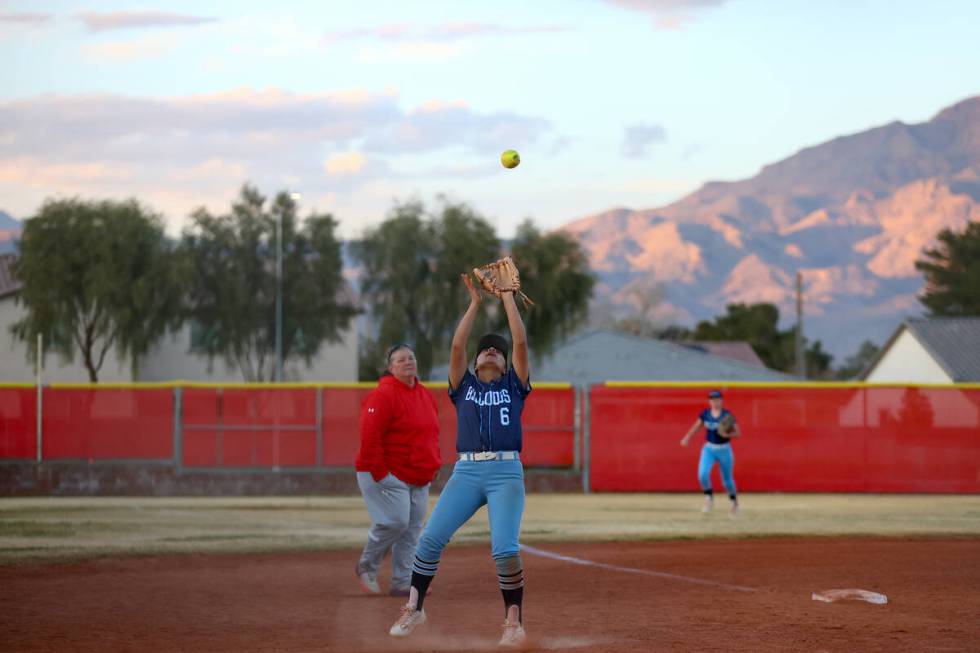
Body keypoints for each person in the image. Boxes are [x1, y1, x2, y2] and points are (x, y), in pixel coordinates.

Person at [388, 274, 531, 648]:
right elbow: (456, 346)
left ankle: (513, 622)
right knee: (430, 539)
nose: (490, 351)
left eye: (496, 351)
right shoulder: (463, 387)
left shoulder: (513, 386)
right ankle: (415, 608)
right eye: (485, 349)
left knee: (505, 549)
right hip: (466, 471)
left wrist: (506, 298)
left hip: (505, 472)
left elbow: (519, 340)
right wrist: (473, 305)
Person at [354, 343, 441, 597]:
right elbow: (369, 436)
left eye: (411, 357)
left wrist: (433, 464)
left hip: (418, 475)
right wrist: (380, 474)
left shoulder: (425, 395)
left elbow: (431, 434)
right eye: (401, 360)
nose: (408, 362)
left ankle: (403, 582)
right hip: (385, 473)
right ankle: (367, 567)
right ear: (391, 368)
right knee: (395, 521)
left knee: (412, 530)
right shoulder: (383, 395)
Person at [680, 389, 741, 517]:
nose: (715, 402)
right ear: (709, 401)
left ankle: (734, 503)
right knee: (702, 474)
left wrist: (727, 434)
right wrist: (687, 437)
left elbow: (737, 432)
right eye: (713, 400)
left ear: (721, 401)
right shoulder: (706, 414)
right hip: (709, 449)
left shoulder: (727, 414)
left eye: (718, 400)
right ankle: (709, 498)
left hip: (724, 449)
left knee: (727, 480)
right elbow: (696, 426)